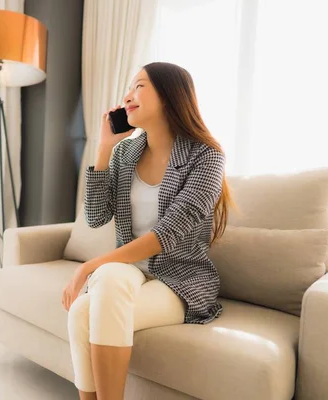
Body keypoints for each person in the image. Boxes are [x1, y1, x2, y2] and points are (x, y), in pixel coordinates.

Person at [61, 62, 234, 400]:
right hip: (129, 273)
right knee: (98, 293)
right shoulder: (126, 152)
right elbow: (96, 216)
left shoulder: (207, 156)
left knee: (92, 299)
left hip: (179, 280)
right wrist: (104, 148)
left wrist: (88, 265)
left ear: (170, 96)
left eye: (139, 86)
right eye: (129, 88)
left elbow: (168, 234)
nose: (128, 96)